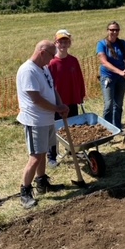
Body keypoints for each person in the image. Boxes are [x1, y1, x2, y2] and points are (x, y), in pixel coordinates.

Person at [16, 40, 69, 209]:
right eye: (51, 55)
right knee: (35, 156)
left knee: (43, 152)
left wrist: (61, 105)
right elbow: (36, 99)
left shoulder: (44, 69)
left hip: (47, 119)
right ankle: (25, 192)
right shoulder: (27, 71)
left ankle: (42, 182)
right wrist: (56, 108)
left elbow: (53, 90)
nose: (53, 59)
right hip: (35, 120)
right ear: (42, 52)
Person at [46, 29, 86, 167]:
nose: (63, 44)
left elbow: (79, 79)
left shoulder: (73, 61)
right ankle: (51, 156)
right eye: (60, 41)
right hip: (57, 103)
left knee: (73, 127)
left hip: (72, 100)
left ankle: (71, 150)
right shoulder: (51, 63)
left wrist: (81, 94)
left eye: (65, 41)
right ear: (55, 43)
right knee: (54, 129)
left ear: (69, 43)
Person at [97, 21, 125, 129]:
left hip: (120, 78)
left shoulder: (122, 43)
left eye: (116, 30)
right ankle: (107, 129)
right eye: (112, 30)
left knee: (118, 104)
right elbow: (104, 62)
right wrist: (119, 71)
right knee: (109, 104)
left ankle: (117, 126)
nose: (114, 32)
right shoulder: (101, 44)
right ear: (108, 31)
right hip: (108, 77)